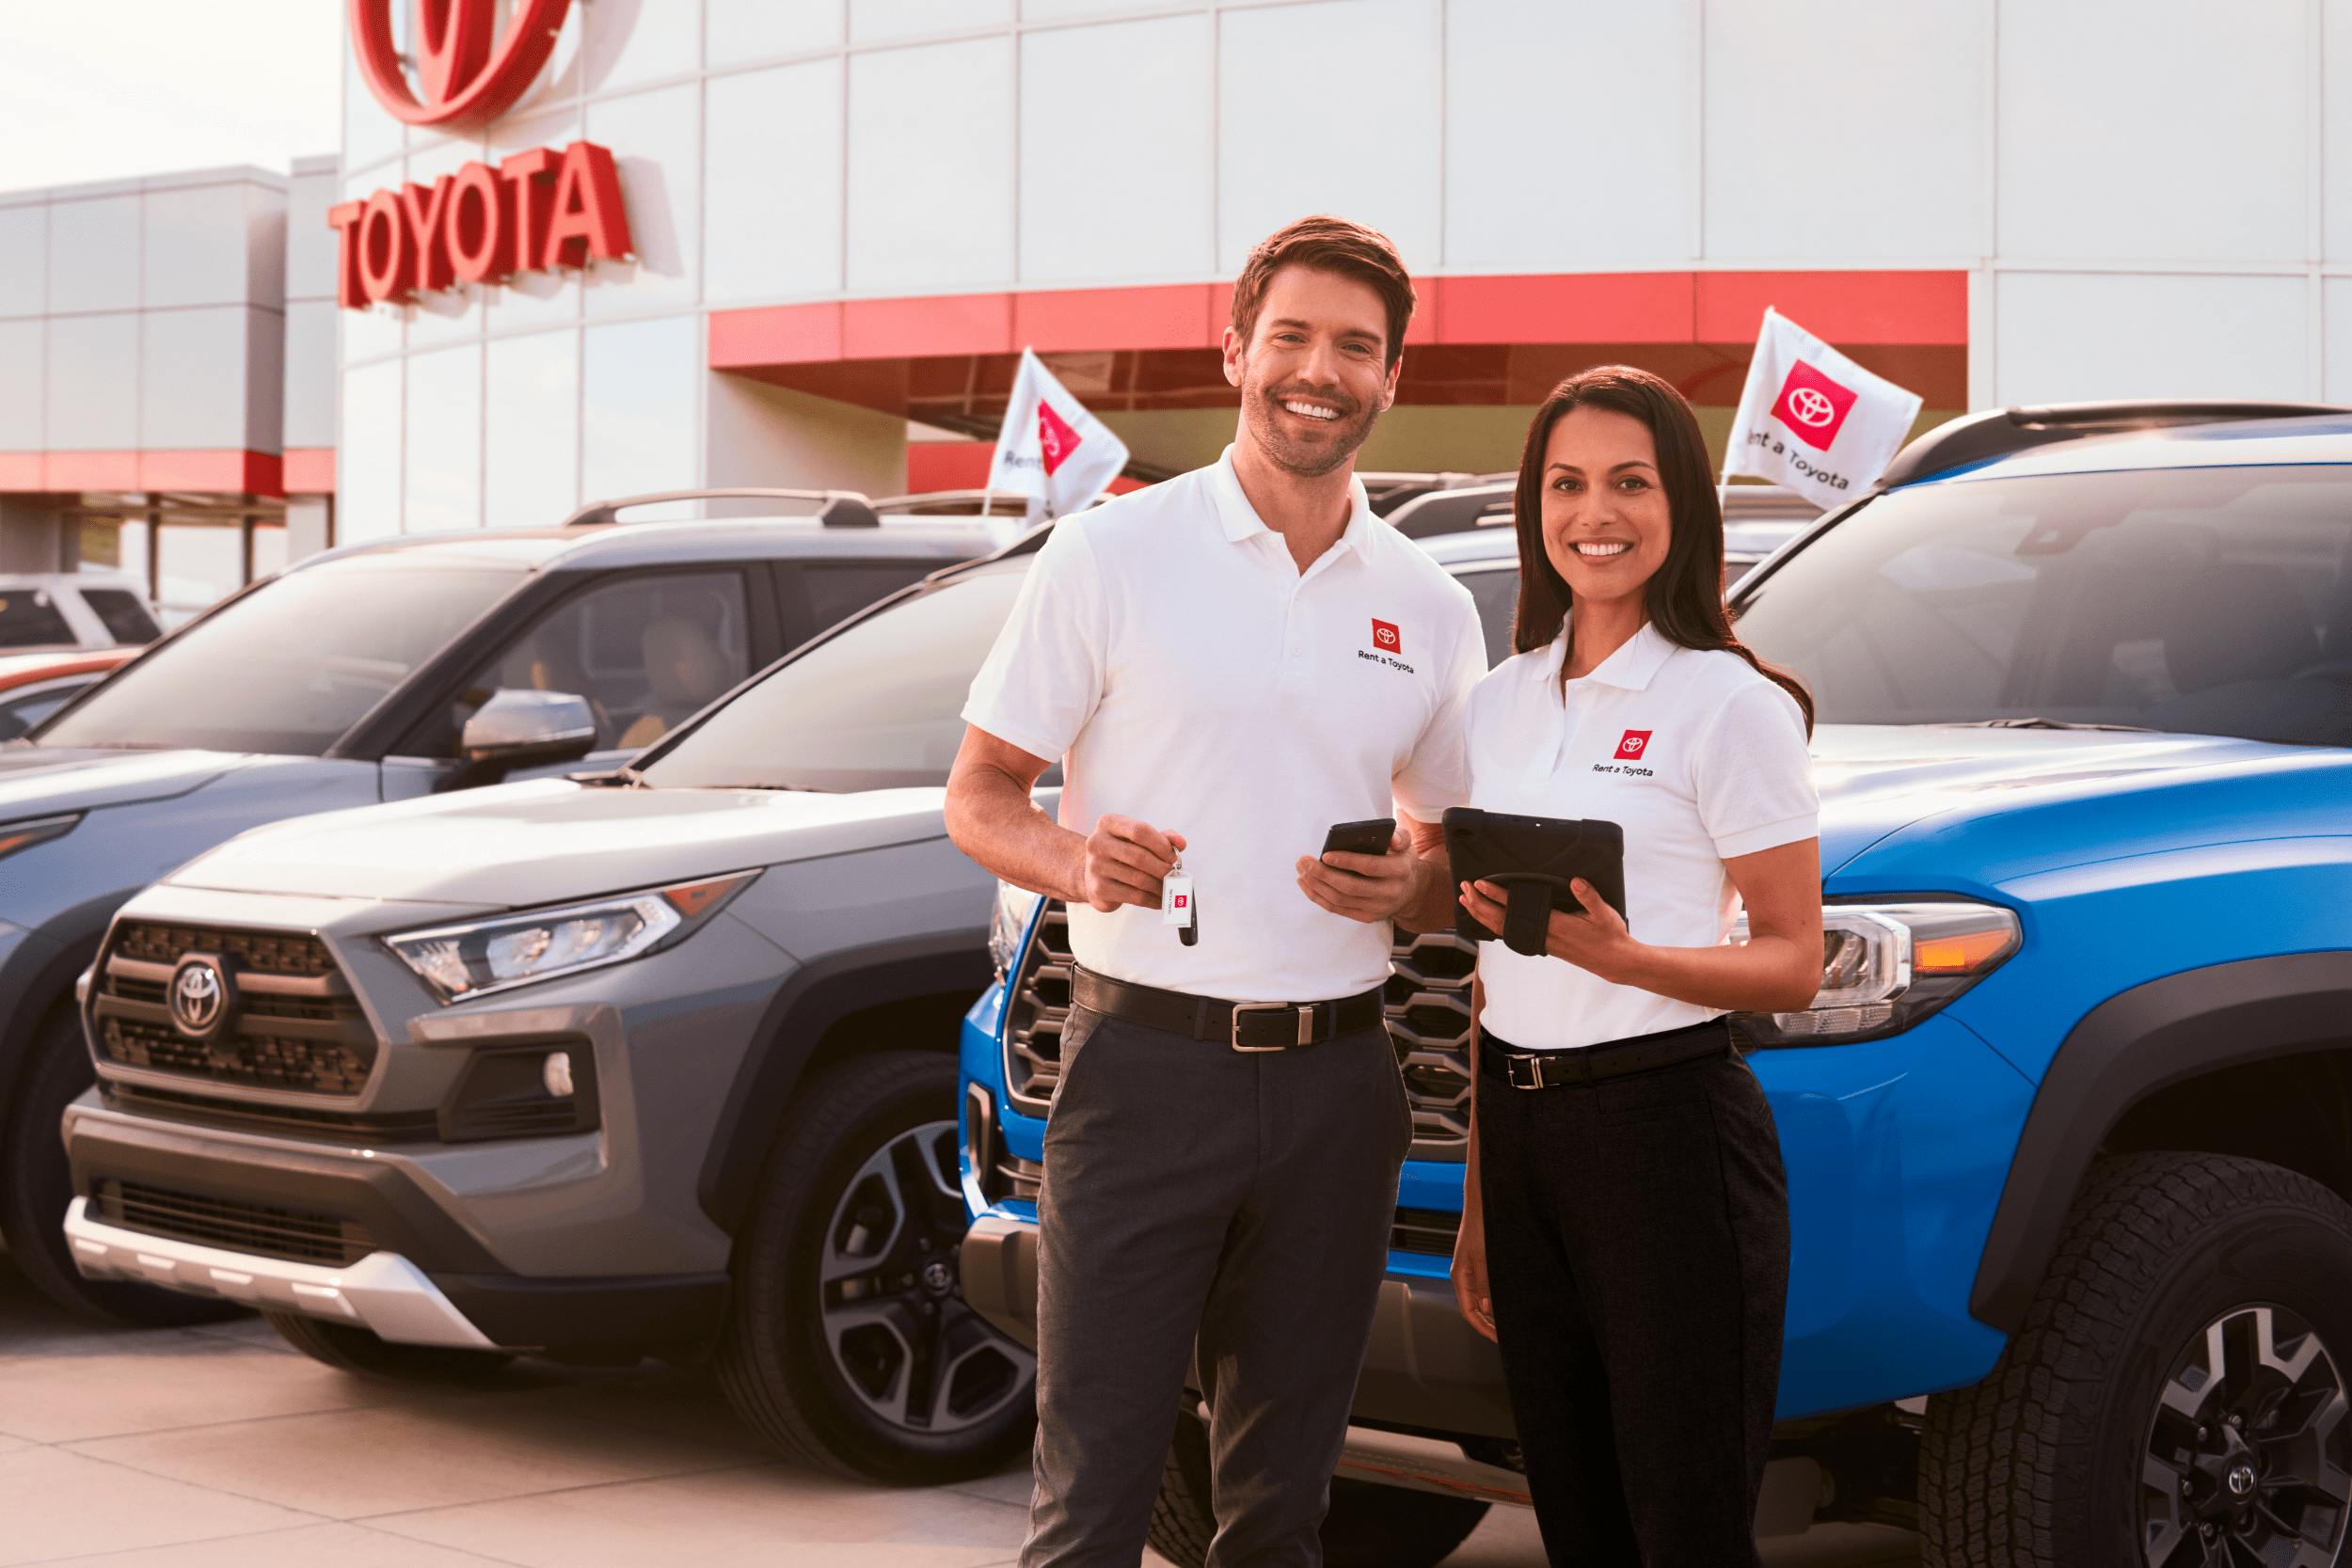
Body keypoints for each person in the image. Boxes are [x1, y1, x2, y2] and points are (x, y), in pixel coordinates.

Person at [944, 214, 1486, 1568]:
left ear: (1390, 377)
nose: (1320, 368)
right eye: (1292, 335)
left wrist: (1409, 877)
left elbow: (1449, 870)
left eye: (1355, 347)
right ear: (1236, 349)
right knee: (1092, 1503)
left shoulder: (1428, 603)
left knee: (1284, 1512)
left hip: (1341, 1090)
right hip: (1143, 1071)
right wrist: (1074, 858)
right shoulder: (1113, 554)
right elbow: (981, 792)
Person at [1448, 366, 1823, 1567]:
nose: (1592, 513)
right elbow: (1491, 972)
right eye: (1565, 483)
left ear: (1682, 507)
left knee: (1684, 1523)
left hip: (1665, 1133)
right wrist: (1475, 1201)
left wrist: (1629, 956)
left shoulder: (1727, 704)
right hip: (1521, 1136)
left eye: (1628, 482)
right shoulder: (1497, 703)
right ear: (1532, 504)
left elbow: (1792, 961)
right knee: (1577, 1516)